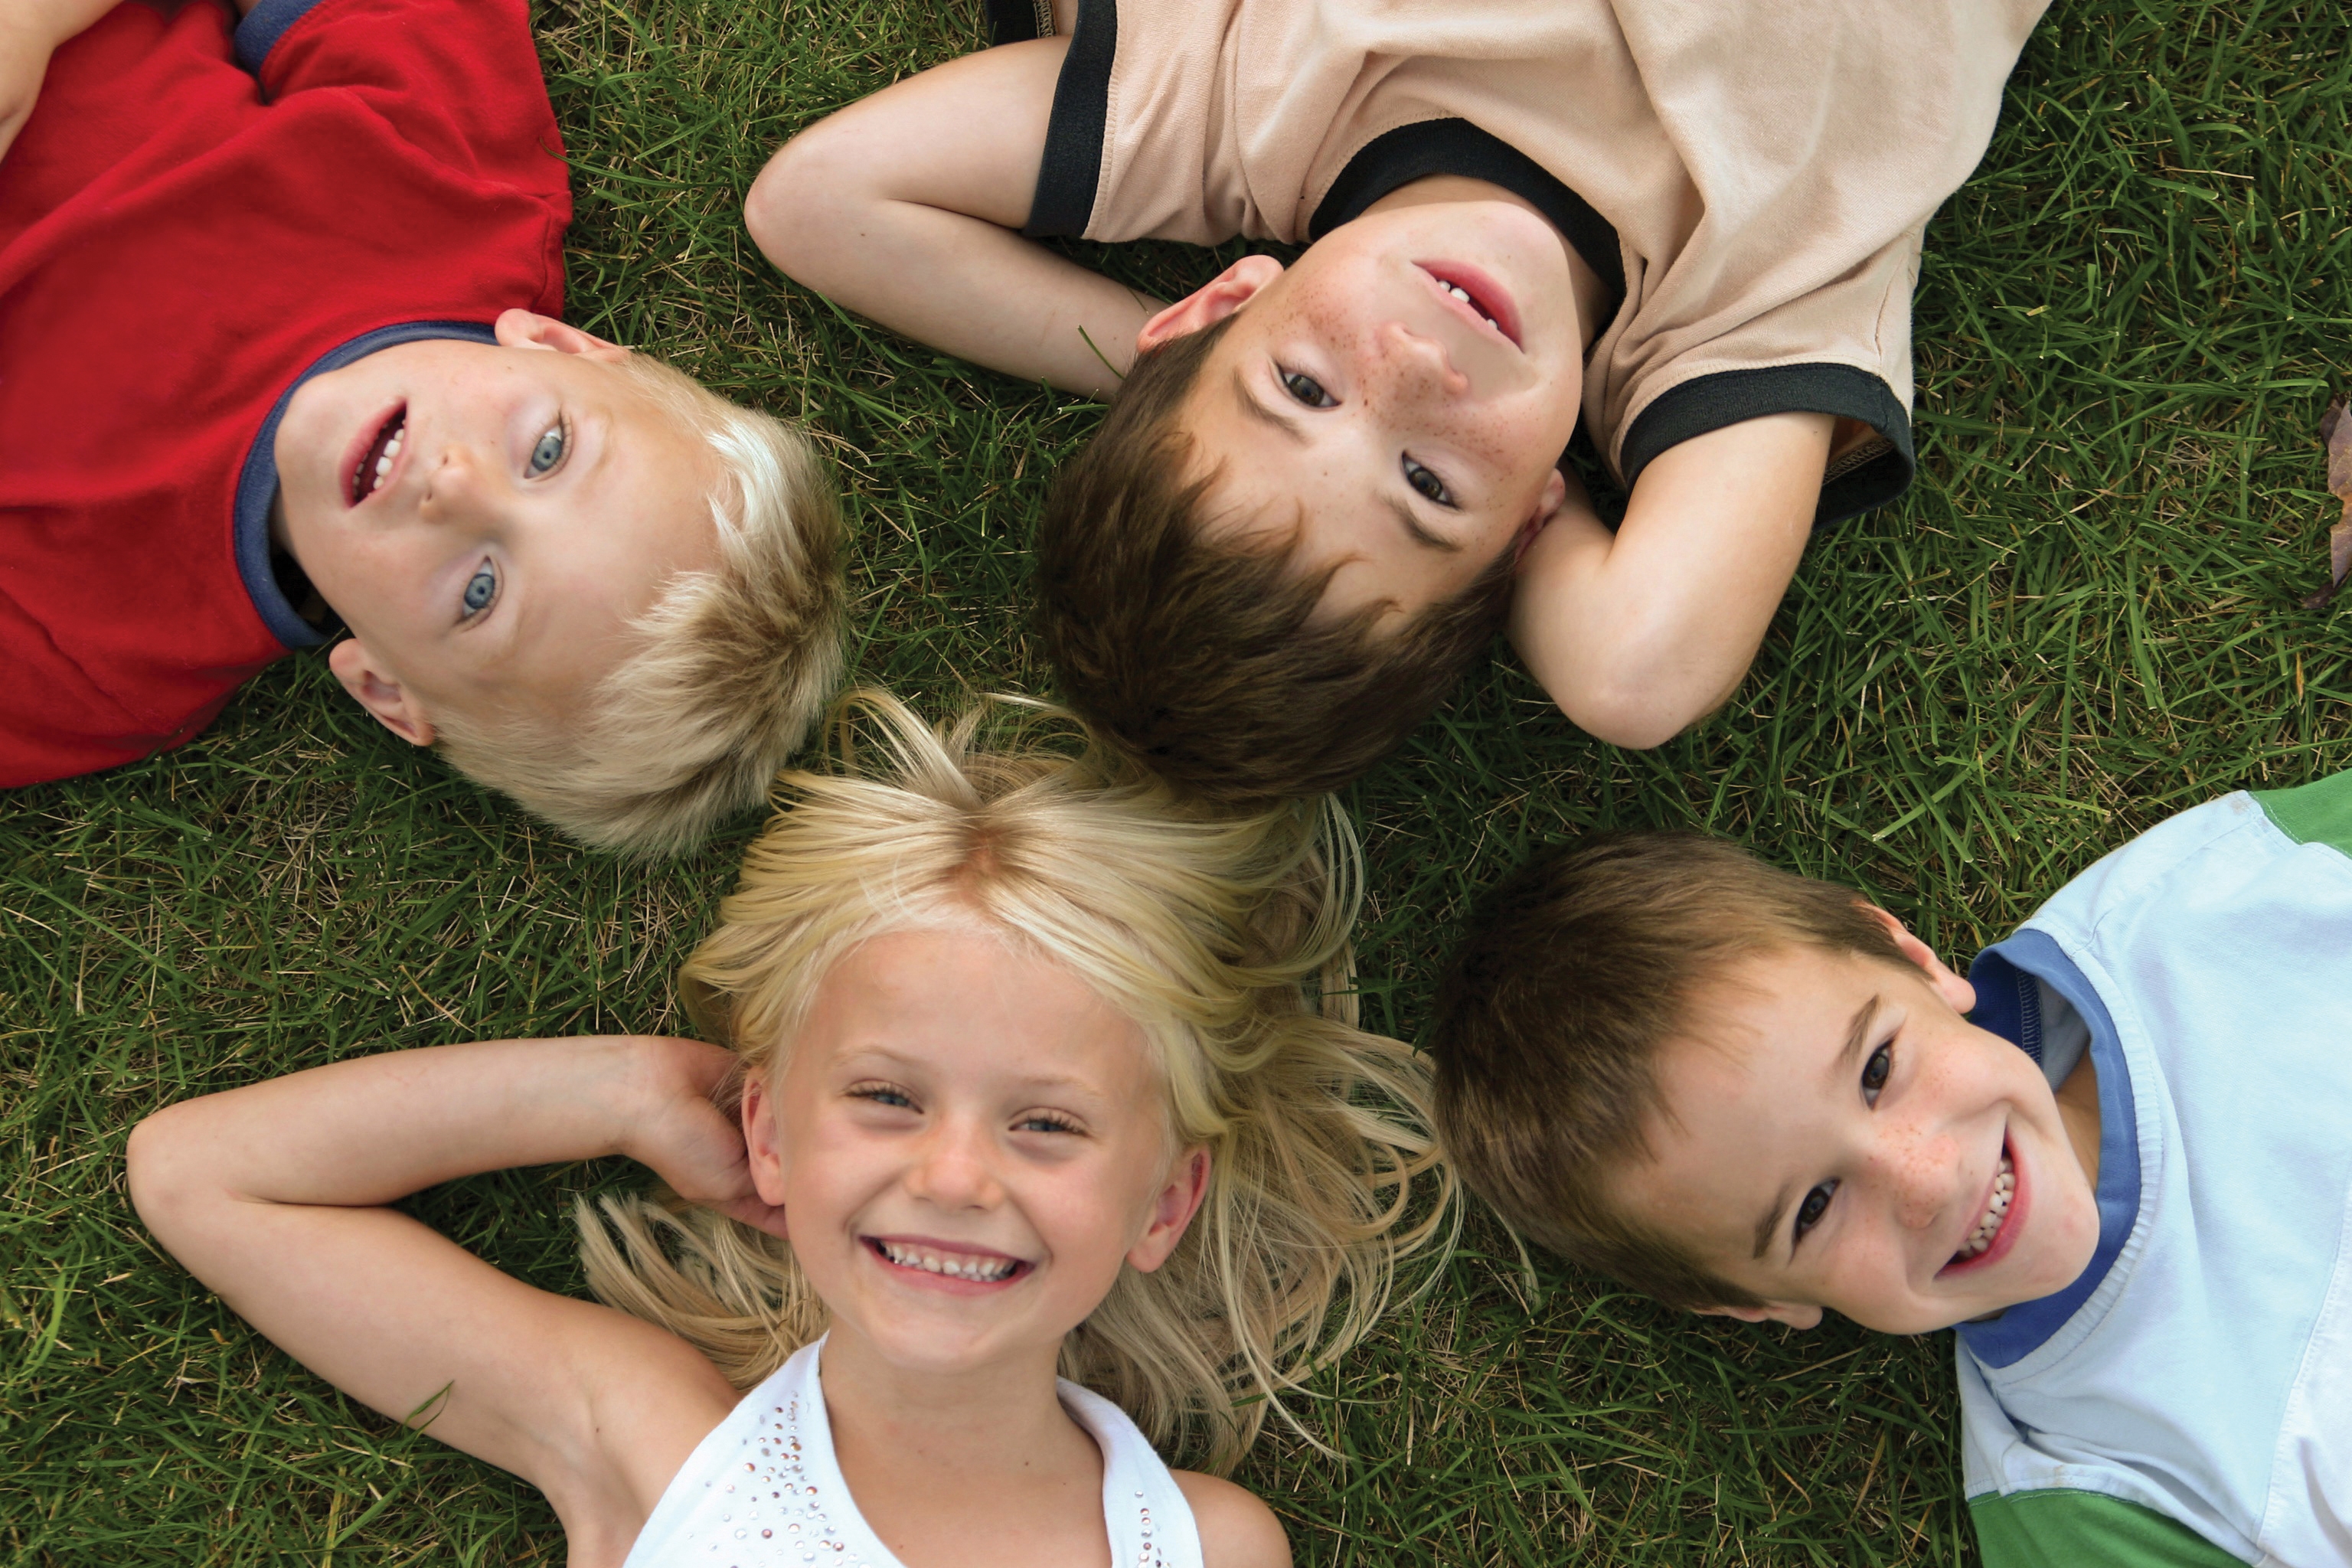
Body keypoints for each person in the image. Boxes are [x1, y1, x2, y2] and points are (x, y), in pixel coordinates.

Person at [126, 691, 1454, 1568]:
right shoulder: (659, 1447)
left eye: (1047, 1122)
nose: (952, 1174)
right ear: (770, 1132)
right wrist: (631, 1089)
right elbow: (205, 1179)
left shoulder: (1205, 1547)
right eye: (884, 1095)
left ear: (1163, 1203)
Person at [745, 0, 2044, 803]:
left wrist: (1147, 359)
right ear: (1537, 526)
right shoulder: (1731, 305)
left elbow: (816, 202)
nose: (1416, 372)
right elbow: (1636, 674)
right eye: (1428, 487)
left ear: (1213, 306)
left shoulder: (1249, 99)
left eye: (1296, 386)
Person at [1427, 771, 2352, 1566]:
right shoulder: (2086, 1494)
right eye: (1815, 1207)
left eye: (1877, 1067)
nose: (1928, 1177)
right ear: (1752, 1298)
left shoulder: (2216, 896)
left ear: (1910, 955)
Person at [0, 0, 845, 854]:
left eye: (480, 592)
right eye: (547, 452)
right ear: (564, 347)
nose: (456, 485)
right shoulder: (456, 180)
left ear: (386, 687)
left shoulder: (107, 658)